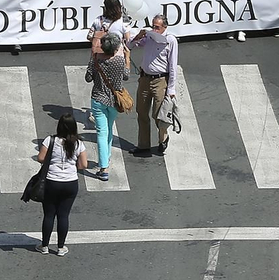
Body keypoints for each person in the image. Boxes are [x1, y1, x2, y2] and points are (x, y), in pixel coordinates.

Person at [129, 13, 178, 157]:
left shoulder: (170, 41)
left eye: (157, 27)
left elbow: (173, 66)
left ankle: (163, 136)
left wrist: (171, 89)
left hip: (160, 81)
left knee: (158, 114)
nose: (154, 29)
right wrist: (138, 37)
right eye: (153, 26)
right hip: (144, 79)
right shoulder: (149, 37)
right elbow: (130, 45)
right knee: (142, 112)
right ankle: (143, 145)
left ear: (165, 27)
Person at [36, 113, 86, 255]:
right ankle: (61, 247)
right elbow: (83, 165)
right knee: (63, 215)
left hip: (51, 181)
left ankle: (44, 246)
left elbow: (40, 158)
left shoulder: (50, 140)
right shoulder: (78, 144)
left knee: (49, 214)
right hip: (70, 183)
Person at [84, 30, 128, 182]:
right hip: (114, 101)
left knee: (102, 132)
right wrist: (127, 58)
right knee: (109, 128)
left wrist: (92, 63)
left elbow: (88, 78)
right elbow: (126, 76)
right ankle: (106, 157)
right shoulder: (120, 61)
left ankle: (103, 167)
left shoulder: (96, 59)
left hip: (98, 99)